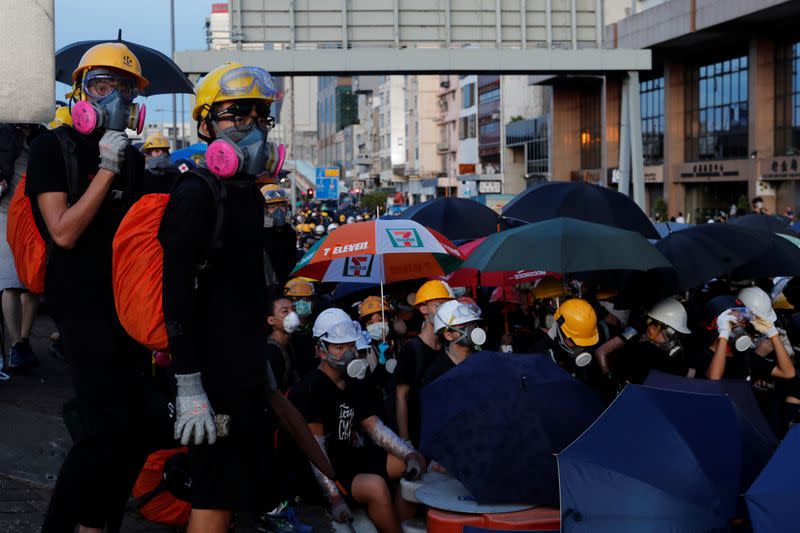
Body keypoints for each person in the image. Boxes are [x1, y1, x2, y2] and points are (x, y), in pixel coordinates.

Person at [28, 42, 153, 532]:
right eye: (103, 86)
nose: (114, 98)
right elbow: (62, 230)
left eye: (124, 90)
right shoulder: (51, 148)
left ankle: (98, 525)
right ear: (81, 90)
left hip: (126, 305)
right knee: (100, 430)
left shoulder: (134, 160)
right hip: (78, 303)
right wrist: (105, 168)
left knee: (136, 428)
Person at [160, 62, 280, 532]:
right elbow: (175, 296)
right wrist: (189, 384)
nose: (248, 126)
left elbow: (248, 287)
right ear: (206, 125)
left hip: (242, 369)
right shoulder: (195, 193)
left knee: (232, 496)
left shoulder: (248, 194)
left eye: (258, 116)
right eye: (234, 115)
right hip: (208, 376)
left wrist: (259, 358)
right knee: (213, 495)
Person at [291, 308, 426, 533]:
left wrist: (409, 453)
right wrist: (334, 498)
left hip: (350, 457)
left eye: (351, 345)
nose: (348, 352)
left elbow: (374, 426)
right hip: (327, 470)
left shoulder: (353, 382)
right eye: (339, 347)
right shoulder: (310, 388)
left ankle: (395, 524)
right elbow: (315, 447)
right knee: (376, 487)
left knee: (416, 463)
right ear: (321, 350)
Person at [0, 123, 45, 372]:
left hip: (35, 215)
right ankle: (17, 342)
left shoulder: (44, 136)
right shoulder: (4, 133)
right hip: (6, 213)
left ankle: (22, 342)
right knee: (11, 282)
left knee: (33, 282)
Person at [395, 280, 453, 444]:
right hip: (420, 434)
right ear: (423, 308)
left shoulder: (449, 345)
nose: (445, 311)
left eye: (447, 305)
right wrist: (405, 442)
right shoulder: (411, 350)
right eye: (439, 305)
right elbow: (401, 396)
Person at [596, 298, 693, 390]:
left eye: (675, 335)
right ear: (654, 327)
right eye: (670, 334)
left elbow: (601, 351)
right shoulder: (647, 346)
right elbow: (601, 351)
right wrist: (608, 377)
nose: (672, 340)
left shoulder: (637, 333)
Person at [705, 291, 795, 382]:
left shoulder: (745, 356)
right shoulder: (703, 355)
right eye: (732, 322)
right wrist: (724, 334)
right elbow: (714, 380)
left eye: (742, 321)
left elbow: (788, 373)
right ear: (715, 324)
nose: (740, 326)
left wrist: (773, 333)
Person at [422, 299, 485, 387]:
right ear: (448, 335)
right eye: (463, 324)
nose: (471, 328)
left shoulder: (483, 361)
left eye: (472, 323)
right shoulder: (438, 371)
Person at [261, 184, 297, 287]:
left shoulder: (290, 233)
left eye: (281, 206)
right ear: (264, 210)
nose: (278, 211)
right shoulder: (258, 234)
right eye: (272, 207)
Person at [265, 296, 301, 392]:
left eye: (293, 309)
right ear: (271, 320)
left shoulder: (290, 343)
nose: (292, 314)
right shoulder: (272, 352)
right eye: (285, 311)